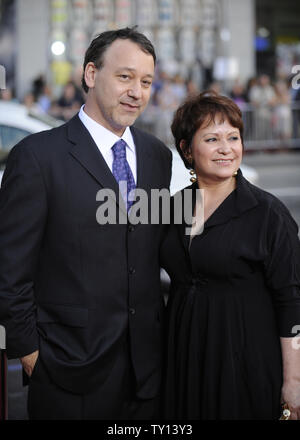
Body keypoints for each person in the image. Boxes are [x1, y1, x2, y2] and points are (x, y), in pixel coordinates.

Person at [0, 27, 172, 420]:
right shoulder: (37, 157)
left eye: (146, 81)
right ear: (91, 75)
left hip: (146, 373)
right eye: (125, 77)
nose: (137, 92)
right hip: (67, 372)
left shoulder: (156, 156)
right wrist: (29, 353)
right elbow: (10, 270)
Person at [161, 91, 300, 420]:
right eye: (212, 139)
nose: (226, 149)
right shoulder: (172, 207)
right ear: (187, 150)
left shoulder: (268, 214)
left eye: (233, 137)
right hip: (184, 357)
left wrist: (293, 381)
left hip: (245, 360)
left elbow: (291, 302)